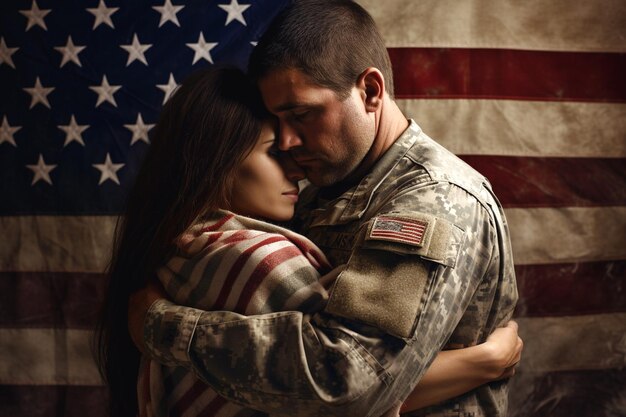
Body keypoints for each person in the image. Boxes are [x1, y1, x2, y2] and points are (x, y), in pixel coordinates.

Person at [128, 1, 520, 415]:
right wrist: (478, 364)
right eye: (279, 120)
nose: (287, 141)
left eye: (302, 114)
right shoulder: (318, 186)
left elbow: (347, 384)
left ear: (370, 91)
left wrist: (165, 327)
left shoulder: (433, 201)